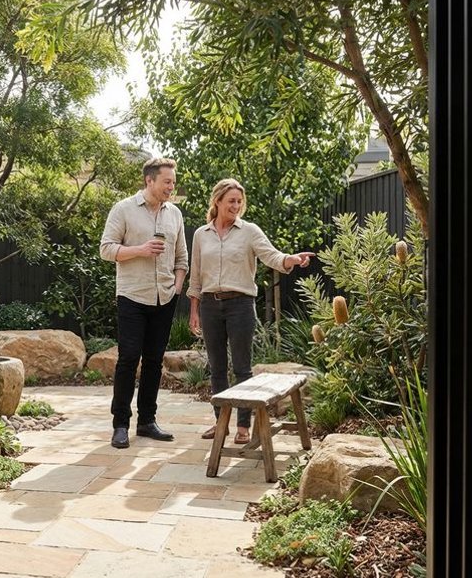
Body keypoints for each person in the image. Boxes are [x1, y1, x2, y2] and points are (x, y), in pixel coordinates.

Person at [186, 178, 313, 444]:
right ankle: (220, 423)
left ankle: (243, 425)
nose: (236, 206)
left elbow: (271, 256)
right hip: (210, 305)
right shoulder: (201, 234)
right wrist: (194, 309)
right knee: (217, 367)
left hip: (240, 305)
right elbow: (195, 276)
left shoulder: (249, 231)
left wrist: (290, 259)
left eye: (239, 201)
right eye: (231, 201)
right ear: (217, 201)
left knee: (242, 368)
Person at [100, 157, 189, 449]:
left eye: (173, 183)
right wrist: (139, 249)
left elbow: (181, 257)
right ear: (149, 181)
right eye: (167, 182)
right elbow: (106, 249)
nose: (171, 187)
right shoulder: (123, 209)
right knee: (128, 358)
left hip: (165, 296)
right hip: (132, 296)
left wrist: (177, 286)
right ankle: (120, 424)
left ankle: (147, 421)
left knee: (154, 361)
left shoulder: (174, 214)